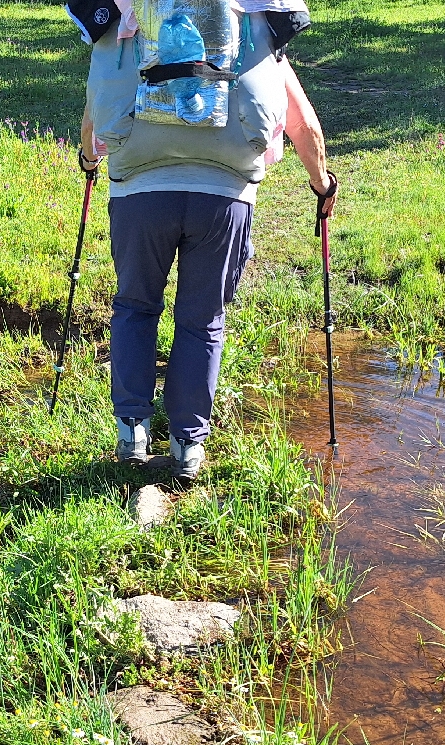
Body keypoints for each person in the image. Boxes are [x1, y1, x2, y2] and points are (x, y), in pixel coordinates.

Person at [78, 2, 337, 481]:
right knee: (202, 321)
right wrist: (323, 186)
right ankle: (186, 446)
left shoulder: (129, 21)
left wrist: (89, 159)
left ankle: (132, 430)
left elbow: (96, 107)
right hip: (224, 197)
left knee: (135, 305)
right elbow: (304, 126)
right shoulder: (253, 31)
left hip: (139, 190)